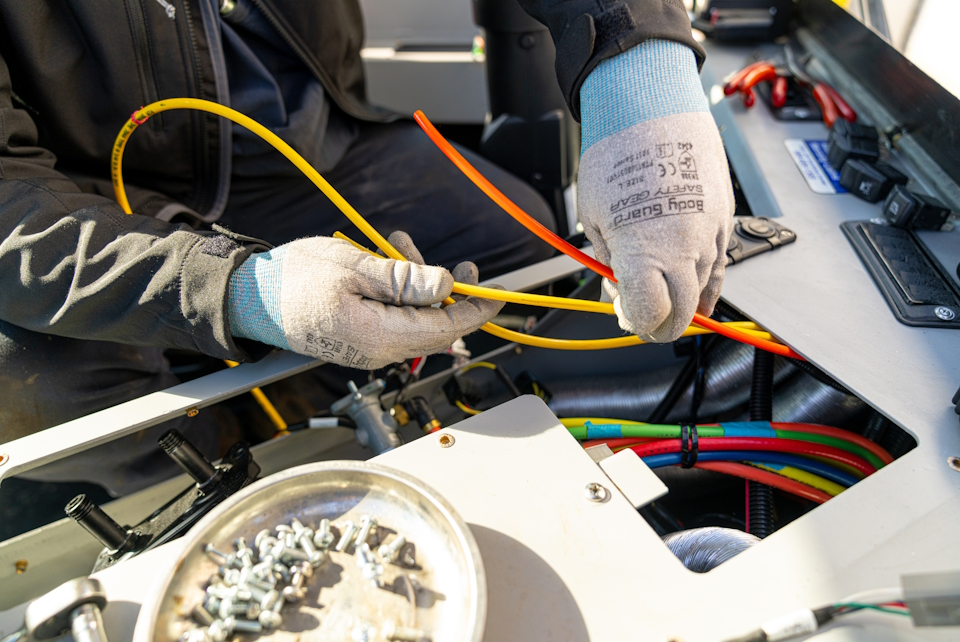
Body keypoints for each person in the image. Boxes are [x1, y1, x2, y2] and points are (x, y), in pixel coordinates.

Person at [0, 0, 733, 494]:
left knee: (515, 251)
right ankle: (243, 488)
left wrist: (638, 69)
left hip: (311, 147)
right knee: (41, 392)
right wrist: (239, 291)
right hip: (74, 199)